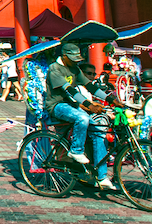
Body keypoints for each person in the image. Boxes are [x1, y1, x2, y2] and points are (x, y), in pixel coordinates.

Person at [44, 43, 114, 190]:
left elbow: (90, 86)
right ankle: (76, 151)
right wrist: (89, 105)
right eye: (73, 59)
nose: (76, 62)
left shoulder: (75, 68)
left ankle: (102, 177)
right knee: (82, 118)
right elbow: (69, 90)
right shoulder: (54, 69)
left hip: (72, 105)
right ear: (64, 56)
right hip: (57, 106)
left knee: (99, 132)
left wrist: (110, 99)